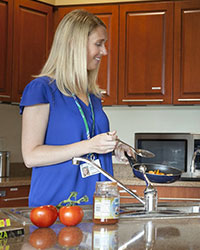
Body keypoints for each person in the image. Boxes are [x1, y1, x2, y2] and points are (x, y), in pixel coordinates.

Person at [20, 9, 131, 207]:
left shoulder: (92, 95)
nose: (104, 51)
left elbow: (84, 138)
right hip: (56, 208)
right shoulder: (41, 89)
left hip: (99, 206)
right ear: (74, 45)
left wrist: (114, 146)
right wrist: (89, 145)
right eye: (98, 44)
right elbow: (31, 156)